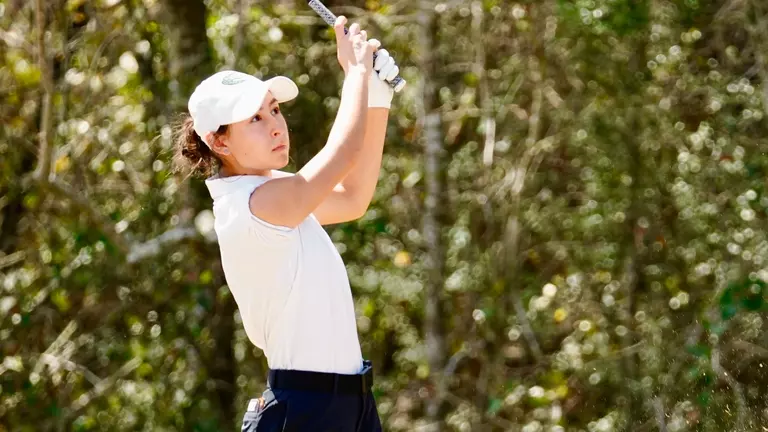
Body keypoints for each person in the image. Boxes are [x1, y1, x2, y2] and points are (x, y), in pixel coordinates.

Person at [171, 15, 401, 432]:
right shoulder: (252, 205)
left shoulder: (274, 191)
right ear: (218, 142)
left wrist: (377, 97)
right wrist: (356, 75)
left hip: (354, 404)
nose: (276, 126)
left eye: (274, 110)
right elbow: (343, 154)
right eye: (255, 120)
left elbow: (353, 198)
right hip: (305, 409)